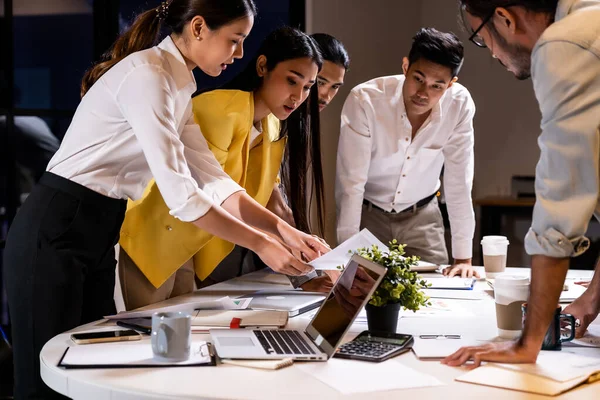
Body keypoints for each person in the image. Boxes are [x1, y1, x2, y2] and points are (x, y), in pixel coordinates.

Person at [2, 1, 329, 398]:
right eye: (235, 40)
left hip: (100, 224)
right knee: (42, 383)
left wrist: (284, 231)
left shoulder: (179, 85)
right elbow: (183, 195)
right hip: (57, 222)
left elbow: (213, 179)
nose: (239, 53)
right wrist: (262, 243)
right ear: (197, 28)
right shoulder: (148, 76)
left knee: (89, 371)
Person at [118, 26, 329, 309]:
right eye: (292, 81)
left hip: (189, 245)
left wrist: (318, 258)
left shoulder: (273, 126)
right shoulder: (220, 109)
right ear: (263, 66)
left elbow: (270, 201)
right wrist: (267, 243)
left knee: (181, 338)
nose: (298, 96)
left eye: (307, 87)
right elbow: (214, 191)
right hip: (155, 233)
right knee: (150, 337)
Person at [443, 0, 600, 367]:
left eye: (482, 39)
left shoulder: (564, 43)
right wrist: (591, 301)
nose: (493, 55)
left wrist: (525, 344)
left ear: (505, 18)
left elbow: (560, 196)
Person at [335, 27, 478, 279]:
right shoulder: (365, 100)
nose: (423, 93)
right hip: (370, 216)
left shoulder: (460, 104)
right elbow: (351, 183)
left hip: (423, 218)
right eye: (418, 79)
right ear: (405, 67)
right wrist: (347, 251)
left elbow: (459, 181)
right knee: (361, 296)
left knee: (437, 300)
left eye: (437, 86)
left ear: (450, 84)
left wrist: (463, 258)